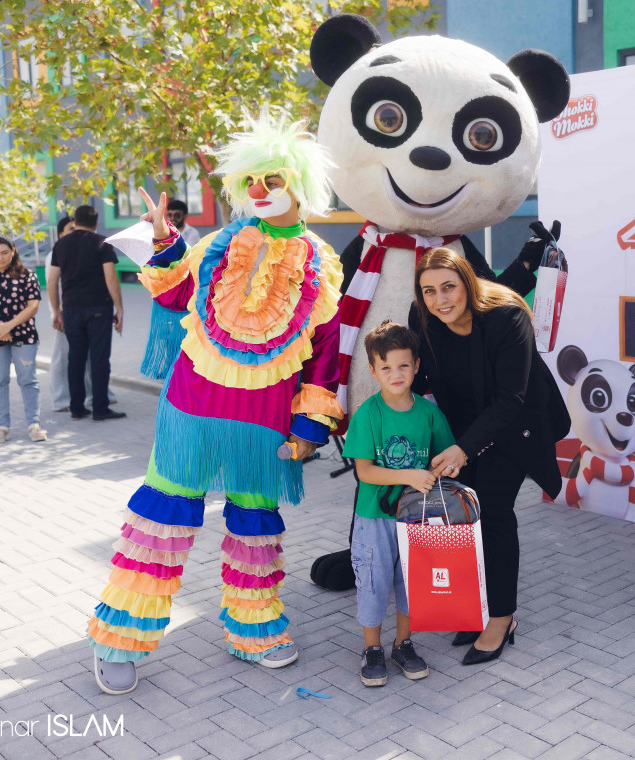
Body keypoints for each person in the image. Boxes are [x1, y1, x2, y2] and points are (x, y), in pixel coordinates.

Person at [86, 111, 345, 695]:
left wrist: (308, 429)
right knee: (162, 517)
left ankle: (252, 628)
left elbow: (326, 355)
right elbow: (177, 293)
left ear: (300, 186)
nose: (259, 192)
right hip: (192, 409)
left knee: (255, 525)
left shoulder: (322, 264)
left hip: (264, 422)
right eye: (251, 181)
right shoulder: (218, 245)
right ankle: (121, 636)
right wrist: (161, 239)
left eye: (272, 179)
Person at [411, 248, 570, 665]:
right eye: (429, 291)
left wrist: (464, 449)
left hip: (516, 425)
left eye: (449, 286)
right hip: (464, 428)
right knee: (465, 519)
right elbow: (421, 377)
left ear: (467, 282)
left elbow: (511, 398)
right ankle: (477, 608)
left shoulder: (508, 317)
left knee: (494, 512)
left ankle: (501, 618)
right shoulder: (422, 318)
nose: (440, 299)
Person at [344, 320, 452, 687]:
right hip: (374, 517)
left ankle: (402, 643)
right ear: (373, 371)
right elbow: (366, 473)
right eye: (386, 367)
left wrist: (449, 462)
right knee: (373, 583)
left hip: (418, 519)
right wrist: (409, 475)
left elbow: (443, 458)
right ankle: (371, 648)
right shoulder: (368, 415)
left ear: (417, 365)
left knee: (413, 584)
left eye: (403, 365)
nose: (396, 374)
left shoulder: (429, 413)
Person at [48, 205, 125, 422]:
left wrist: (56, 310)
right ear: (96, 223)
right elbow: (110, 278)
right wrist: (119, 308)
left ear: (75, 220)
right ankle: (100, 408)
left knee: (76, 358)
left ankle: (77, 408)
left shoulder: (60, 244)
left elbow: (52, 280)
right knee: (99, 359)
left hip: (71, 309)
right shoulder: (103, 243)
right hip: (99, 307)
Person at [0, 236, 45, 443]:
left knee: (28, 380)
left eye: (4, 252)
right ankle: (2, 427)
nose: (0, 258)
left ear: (13, 250)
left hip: (25, 336)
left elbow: (33, 306)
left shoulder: (27, 276)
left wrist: (8, 326)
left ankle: (34, 424)